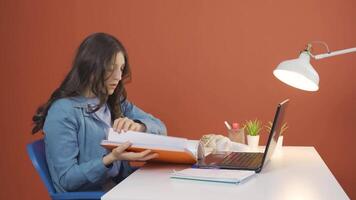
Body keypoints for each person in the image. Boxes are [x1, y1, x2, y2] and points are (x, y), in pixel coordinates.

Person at [31, 32, 167, 193]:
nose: (118, 77)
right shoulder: (63, 112)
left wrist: (139, 127)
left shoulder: (115, 102)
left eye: (121, 69)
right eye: (111, 68)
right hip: (95, 195)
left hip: (120, 189)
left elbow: (161, 128)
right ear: (90, 67)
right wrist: (111, 158)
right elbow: (66, 180)